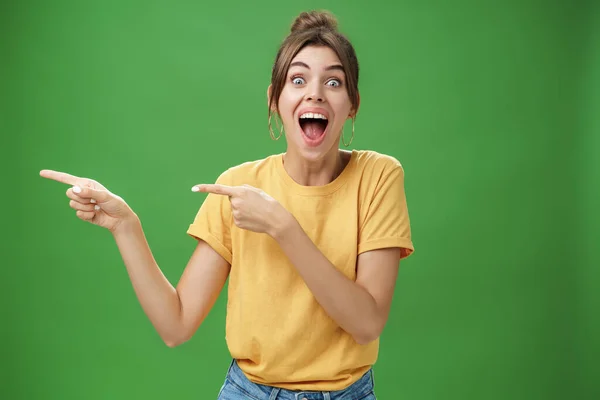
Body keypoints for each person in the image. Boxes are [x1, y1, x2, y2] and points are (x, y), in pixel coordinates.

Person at [40, 9, 414, 400]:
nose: (315, 92)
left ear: (352, 104)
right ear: (274, 100)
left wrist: (282, 228)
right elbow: (176, 325)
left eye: (333, 82)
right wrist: (125, 226)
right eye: (297, 79)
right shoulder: (238, 187)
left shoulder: (378, 176)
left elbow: (367, 324)